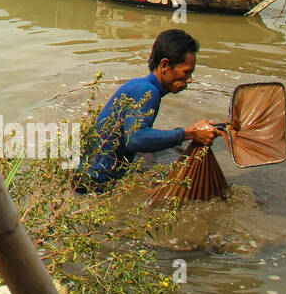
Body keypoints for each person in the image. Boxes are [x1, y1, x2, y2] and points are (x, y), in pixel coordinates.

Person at [76, 29, 218, 192]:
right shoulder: (148, 92)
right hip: (94, 184)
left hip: (88, 174)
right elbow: (135, 138)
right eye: (186, 72)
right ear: (164, 65)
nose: (190, 79)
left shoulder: (140, 86)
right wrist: (189, 134)